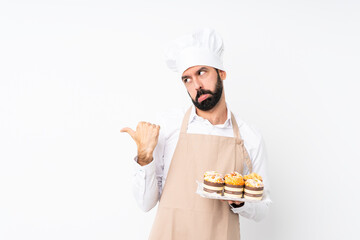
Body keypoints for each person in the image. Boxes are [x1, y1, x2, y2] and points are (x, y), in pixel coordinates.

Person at [121, 28, 271, 240]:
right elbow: (145, 204)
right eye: (187, 79)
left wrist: (240, 201)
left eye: (202, 72)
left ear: (221, 73)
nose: (197, 86)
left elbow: (263, 207)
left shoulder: (250, 137)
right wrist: (144, 157)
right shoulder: (168, 127)